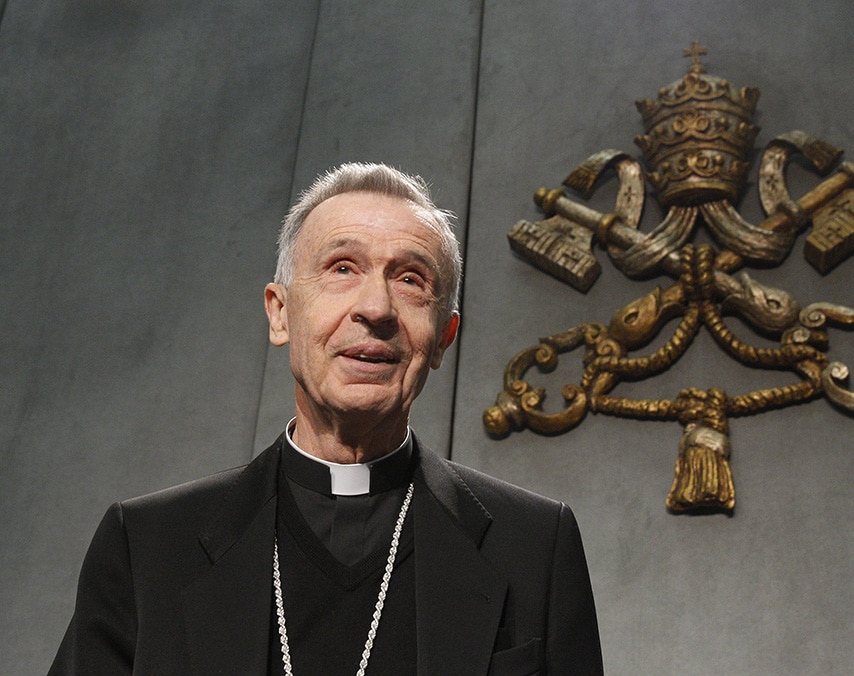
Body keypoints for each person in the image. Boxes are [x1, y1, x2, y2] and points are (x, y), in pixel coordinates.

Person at [50, 162, 603, 675]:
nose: (377, 309)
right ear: (280, 312)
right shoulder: (147, 548)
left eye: (411, 279)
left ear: (443, 339)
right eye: (342, 268)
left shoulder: (534, 547)